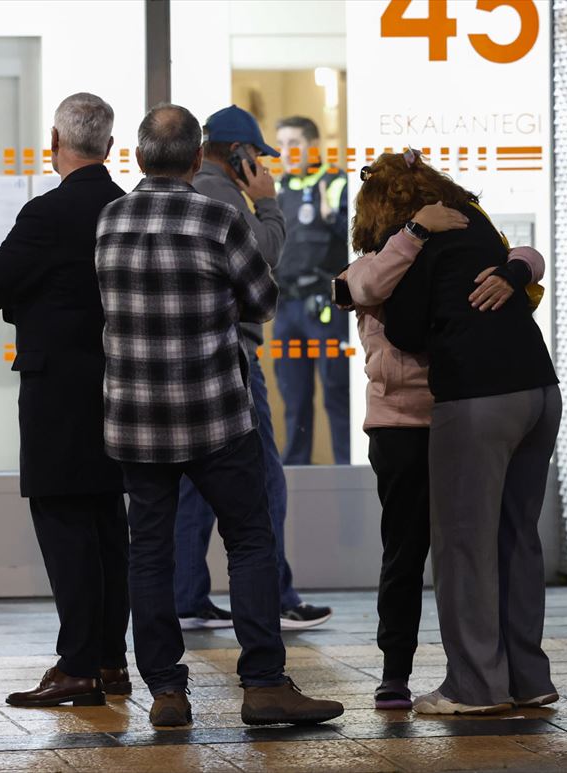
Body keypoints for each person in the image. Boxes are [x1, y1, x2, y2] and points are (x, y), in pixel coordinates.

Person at [95, 103, 344, 729]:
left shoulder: (110, 221)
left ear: (139, 156)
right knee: (250, 539)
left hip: (137, 418)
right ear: (197, 155)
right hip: (213, 413)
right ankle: (263, 683)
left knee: (147, 551)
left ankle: (166, 693)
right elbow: (261, 302)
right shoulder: (216, 219)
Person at [368, 150, 561, 715]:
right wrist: (514, 271)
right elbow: (526, 256)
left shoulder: (413, 245)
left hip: (477, 399)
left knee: (463, 544)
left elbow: (401, 328)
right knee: (516, 537)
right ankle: (529, 678)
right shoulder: (477, 223)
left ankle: (474, 687)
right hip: (538, 388)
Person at [0, 92, 131, 708]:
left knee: (64, 524)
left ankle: (77, 666)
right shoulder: (125, 207)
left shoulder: (47, 213)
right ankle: (113, 662)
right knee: (109, 528)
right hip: (120, 388)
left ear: (54, 144)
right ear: (110, 148)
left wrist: (26, 303)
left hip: (57, 391)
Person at [174, 105, 332, 632]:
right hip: (233, 357)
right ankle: (278, 597)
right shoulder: (221, 194)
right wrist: (270, 204)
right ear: (237, 153)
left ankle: (188, 596)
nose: (262, 166)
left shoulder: (189, 191)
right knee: (265, 478)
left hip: (191, 358)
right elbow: (263, 261)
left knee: (195, 483)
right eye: (256, 156)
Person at [272, 115, 350, 464]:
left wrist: (331, 215)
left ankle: (348, 469)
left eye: (294, 144)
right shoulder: (277, 188)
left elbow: (358, 243)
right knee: (294, 398)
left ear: (313, 146)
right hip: (286, 307)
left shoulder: (334, 183)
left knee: (337, 393)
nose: (287, 152)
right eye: (282, 145)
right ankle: (296, 474)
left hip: (325, 306)